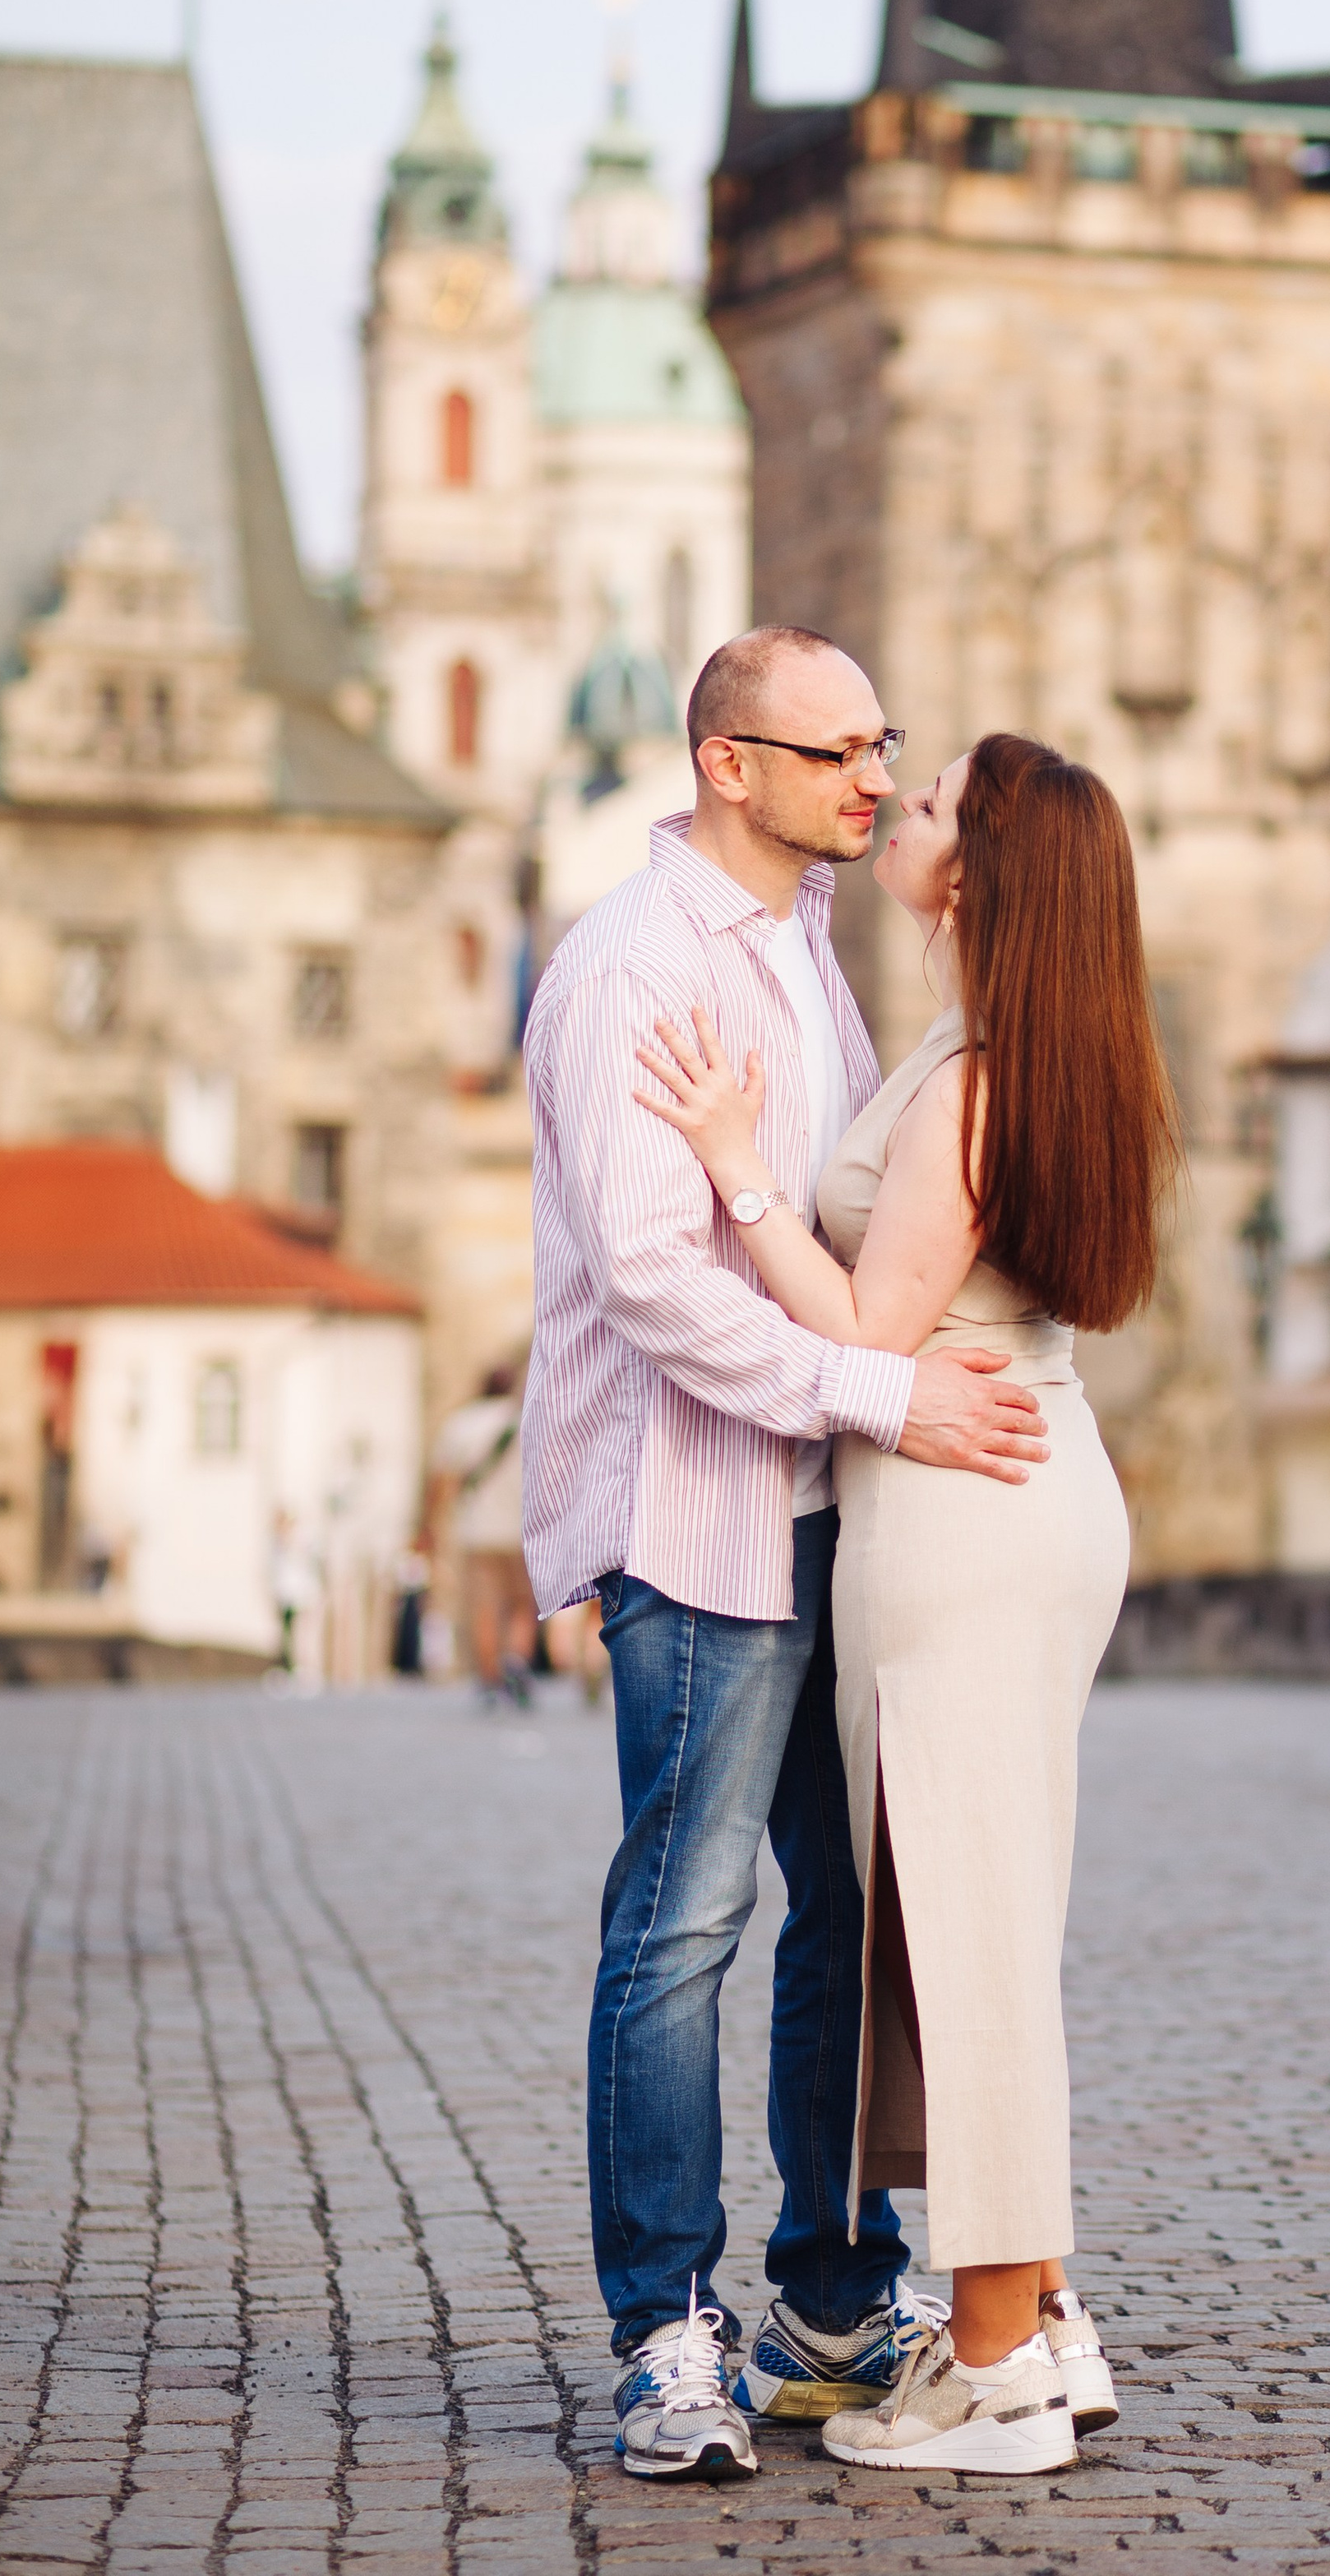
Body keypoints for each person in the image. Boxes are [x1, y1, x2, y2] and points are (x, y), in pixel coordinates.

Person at [519, 626, 1052, 2486]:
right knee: (681, 1923)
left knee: (850, 1911)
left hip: (837, 1511)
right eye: (833, 750)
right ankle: (667, 2327)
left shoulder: (810, 957)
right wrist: (879, 1390)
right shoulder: (624, 970)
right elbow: (660, 1283)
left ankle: (832, 2294)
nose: (870, 776)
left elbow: (839, 1220)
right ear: (725, 764)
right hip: (695, 1510)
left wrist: (881, 1396)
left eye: (878, 745)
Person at [634, 728, 1181, 2477]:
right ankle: (1039, 2316)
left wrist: (730, 1166)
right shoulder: (995, 1048)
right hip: (1017, 1493)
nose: (898, 802)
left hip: (954, 1514)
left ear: (983, 873)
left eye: (933, 800)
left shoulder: (969, 1077)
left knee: (961, 1934)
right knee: (966, 1917)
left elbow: (861, 1339)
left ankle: (998, 2366)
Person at [425, 1359, 538, 1703]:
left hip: (477, 1532)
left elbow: (441, 1482)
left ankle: (489, 1680)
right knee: (524, 1605)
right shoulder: (527, 1419)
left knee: (484, 1607)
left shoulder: (462, 1424)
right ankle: (516, 1659)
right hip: (523, 1529)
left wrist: (430, 1525)